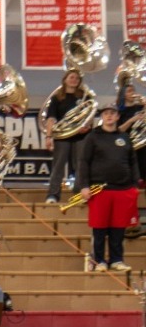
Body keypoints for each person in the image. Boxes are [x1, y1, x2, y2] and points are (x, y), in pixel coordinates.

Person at [76, 105, 139, 272]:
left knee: (118, 228)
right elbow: (84, 162)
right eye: (106, 113)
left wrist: (134, 184)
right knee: (99, 227)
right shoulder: (93, 137)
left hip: (123, 189)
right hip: (99, 189)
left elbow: (132, 161)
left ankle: (117, 260)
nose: (109, 116)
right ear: (102, 117)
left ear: (117, 116)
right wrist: (84, 185)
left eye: (112, 113)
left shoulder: (124, 137)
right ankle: (99, 261)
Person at [42, 69, 96, 204]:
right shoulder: (57, 98)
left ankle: (78, 195)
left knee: (80, 166)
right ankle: (53, 195)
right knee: (58, 166)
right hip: (62, 137)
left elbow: (90, 116)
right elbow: (51, 119)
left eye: (77, 78)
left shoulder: (85, 97)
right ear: (65, 79)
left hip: (80, 136)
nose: (74, 80)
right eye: (71, 77)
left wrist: (86, 126)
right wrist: (48, 136)